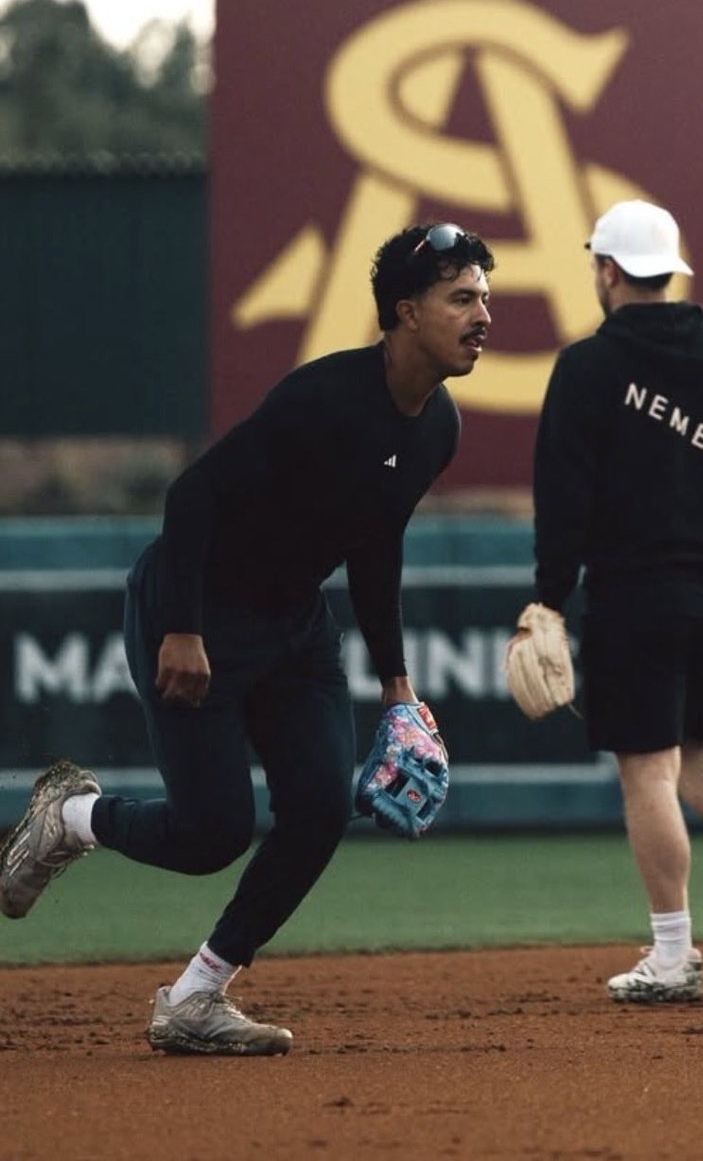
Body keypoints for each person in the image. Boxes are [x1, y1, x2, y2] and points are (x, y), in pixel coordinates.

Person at [0, 222, 495, 1052]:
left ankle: (196, 998)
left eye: (483, 297)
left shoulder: (436, 426)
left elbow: (376, 548)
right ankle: (72, 817)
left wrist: (398, 687)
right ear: (407, 311)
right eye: (461, 298)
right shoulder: (324, 397)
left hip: (294, 625)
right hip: (194, 607)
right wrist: (183, 629)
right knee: (211, 835)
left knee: (319, 808)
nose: (482, 315)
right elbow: (192, 496)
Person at [530, 199, 703, 1004]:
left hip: (634, 590)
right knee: (693, 745)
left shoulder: (588, 367)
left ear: (608, 270)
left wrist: (547, 599)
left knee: (646, 768)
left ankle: (673, 956)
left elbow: (563, 495)